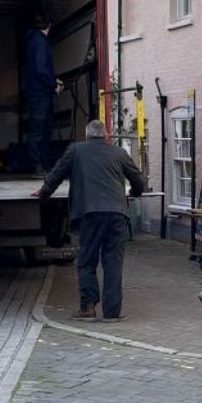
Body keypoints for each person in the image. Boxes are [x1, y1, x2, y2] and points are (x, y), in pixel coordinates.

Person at [33, 119, 145, 322]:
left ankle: (88, 307)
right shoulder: (119, 153)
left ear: (86, 136)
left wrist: (43, 192)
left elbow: (56, 174)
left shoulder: (75, 150)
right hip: (117, 214)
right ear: (107, 136)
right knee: (113, 263)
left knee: (86, 261)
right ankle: (112, 313)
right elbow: (138, 181)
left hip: (89, 214)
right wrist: (134, 194)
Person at [23, 13, 63, 176]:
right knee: (40, 130)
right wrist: (54, 84)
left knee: (43, 129)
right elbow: (41, 69)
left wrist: (53, 80)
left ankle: (43, 166)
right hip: (40, 94)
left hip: (37, 92)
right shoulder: (39, 41)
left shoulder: (32, 41)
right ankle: (38, 166)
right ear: (49, 25)